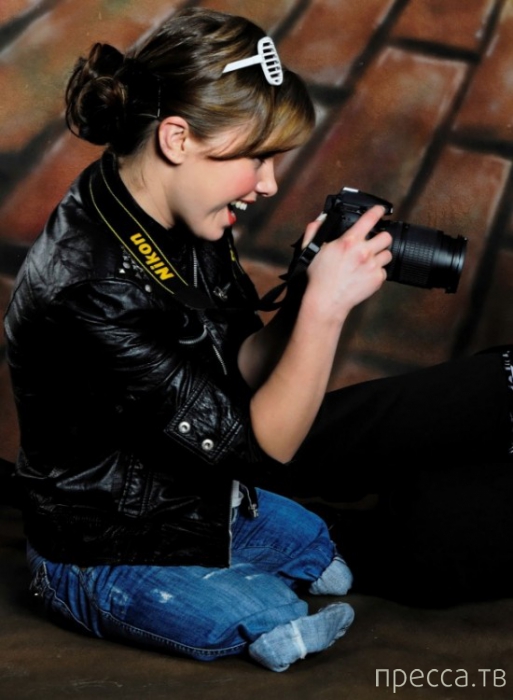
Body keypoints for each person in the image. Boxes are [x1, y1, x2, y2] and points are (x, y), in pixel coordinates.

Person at [3, 6, 513, 672]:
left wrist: (304, 293)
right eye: (257, 158)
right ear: (177, 138)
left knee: (326, 537)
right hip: (110, 541)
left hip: (187, 493)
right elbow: (258, 452)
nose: (270, 184)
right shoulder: (89, 289)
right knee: (273, 610)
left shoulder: (169, 207)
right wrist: (325, 311)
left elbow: (239, 361)